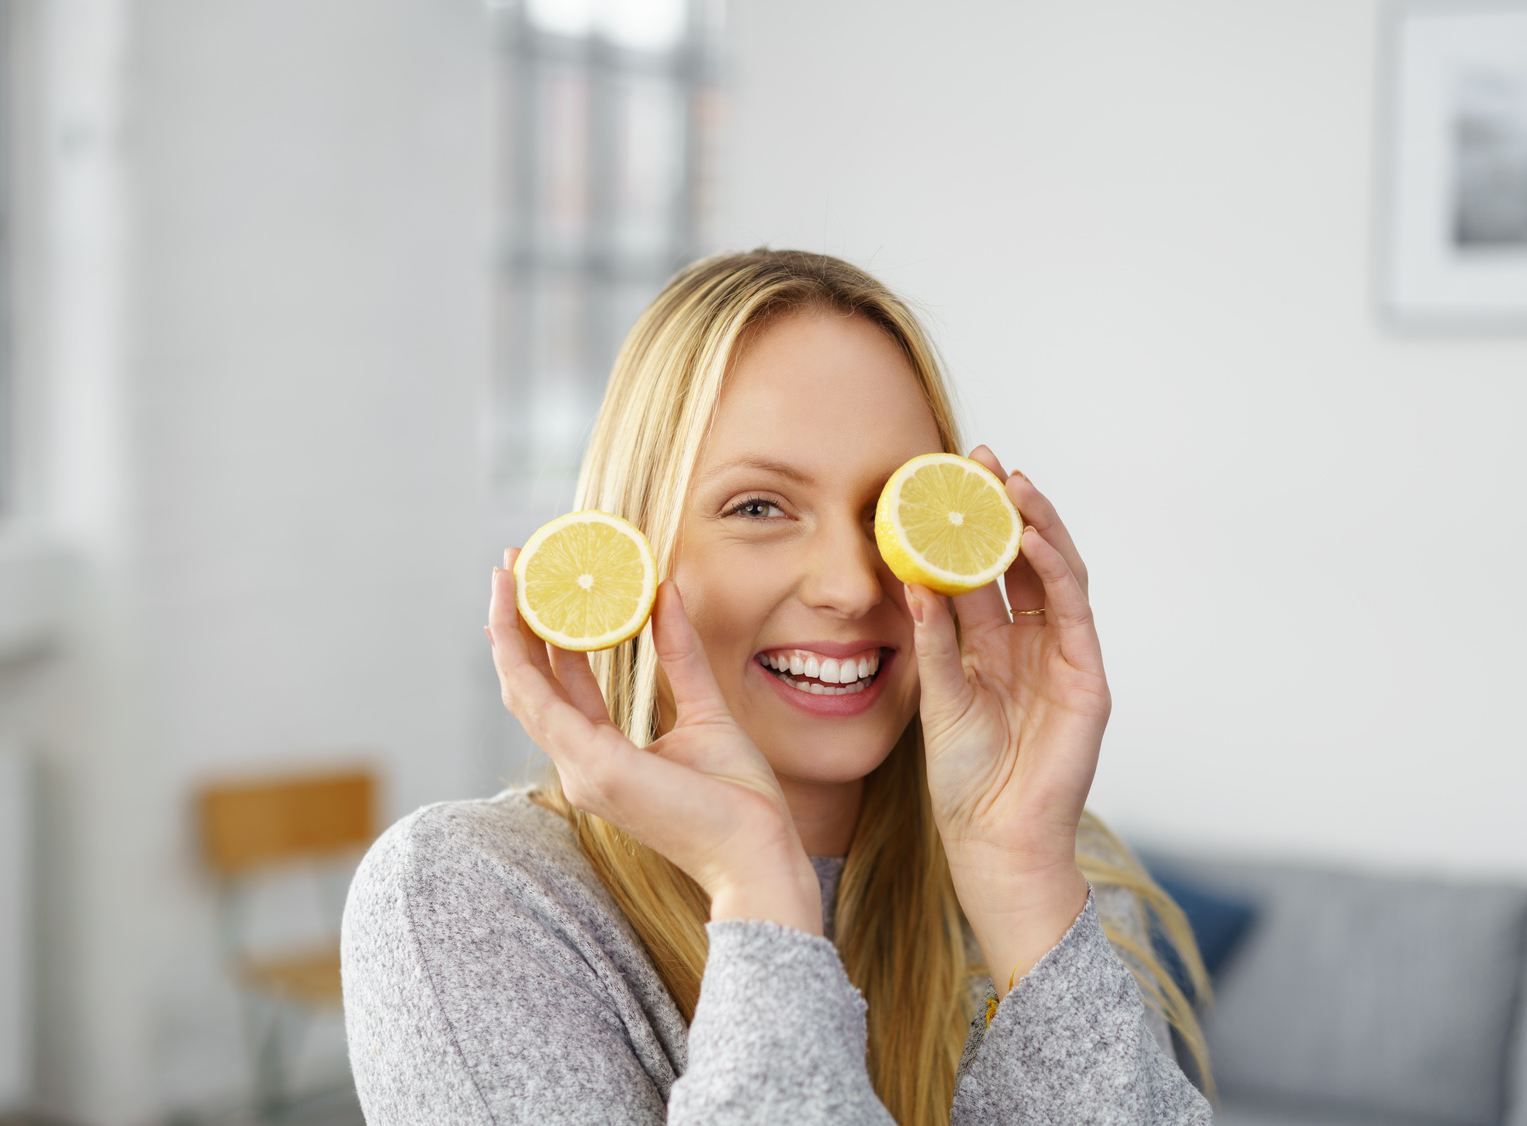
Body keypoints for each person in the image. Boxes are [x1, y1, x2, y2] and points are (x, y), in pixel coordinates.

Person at [343, 250, 1214, 1124]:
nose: (852, 584)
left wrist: (1021, 882)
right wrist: (756, 883)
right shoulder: (475, 897)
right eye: (759, 507)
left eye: (889, 513)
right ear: (634, 546)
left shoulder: (1066, 882)